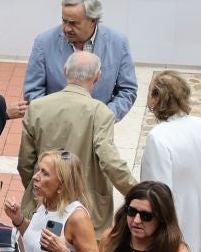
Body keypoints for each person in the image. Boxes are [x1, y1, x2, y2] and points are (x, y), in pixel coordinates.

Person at [17, 50, 136, 229]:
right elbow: (109, 161)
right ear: (97, 77)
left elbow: (25, 162)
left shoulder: (37, 107)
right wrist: (137, 192)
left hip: (42, 205)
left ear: (65, 71)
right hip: (87, 210)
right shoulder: (100, 113)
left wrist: (41, 187)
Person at [22, 0, 138, 118]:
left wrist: (103, 117)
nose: (66, 28)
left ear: (93, 21)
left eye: (73, 23)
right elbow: (33, 91)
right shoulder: (44, 42)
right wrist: (56, 119)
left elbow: (127, 90)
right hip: (55, 129)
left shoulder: (118, 43)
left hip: (98, 130)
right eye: (64, 21)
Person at [139, 71, 201, 252]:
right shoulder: (200, 124)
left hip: (173, 226)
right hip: (198, 217)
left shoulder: (158, 136)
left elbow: (160, 190)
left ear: (157, 97)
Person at [16, 148, 99, 252]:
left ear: (61, 186)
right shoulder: (45, 204)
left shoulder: (77, 217)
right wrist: (19, 220)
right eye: (38, 170)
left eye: (45, 173)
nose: (35, 177)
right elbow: (37, 243)